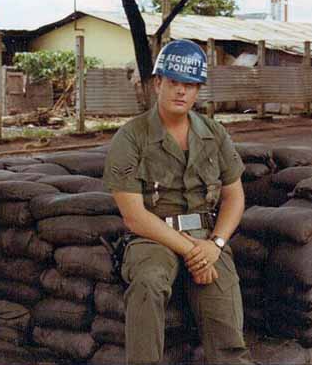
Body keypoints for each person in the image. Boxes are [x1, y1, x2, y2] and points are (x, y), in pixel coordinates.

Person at [103, 40, 254, 365]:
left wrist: (215, 244)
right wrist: (194, 253)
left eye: (190, 85)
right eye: (174, 82)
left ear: (198, 90)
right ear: (158, 83)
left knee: (227, 328)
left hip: (207, 239)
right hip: (151, 238)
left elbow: (234, 197)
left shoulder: (216, 134)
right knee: (148, 285)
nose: (181, 92)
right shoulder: (130, 138)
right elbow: (134, 217)